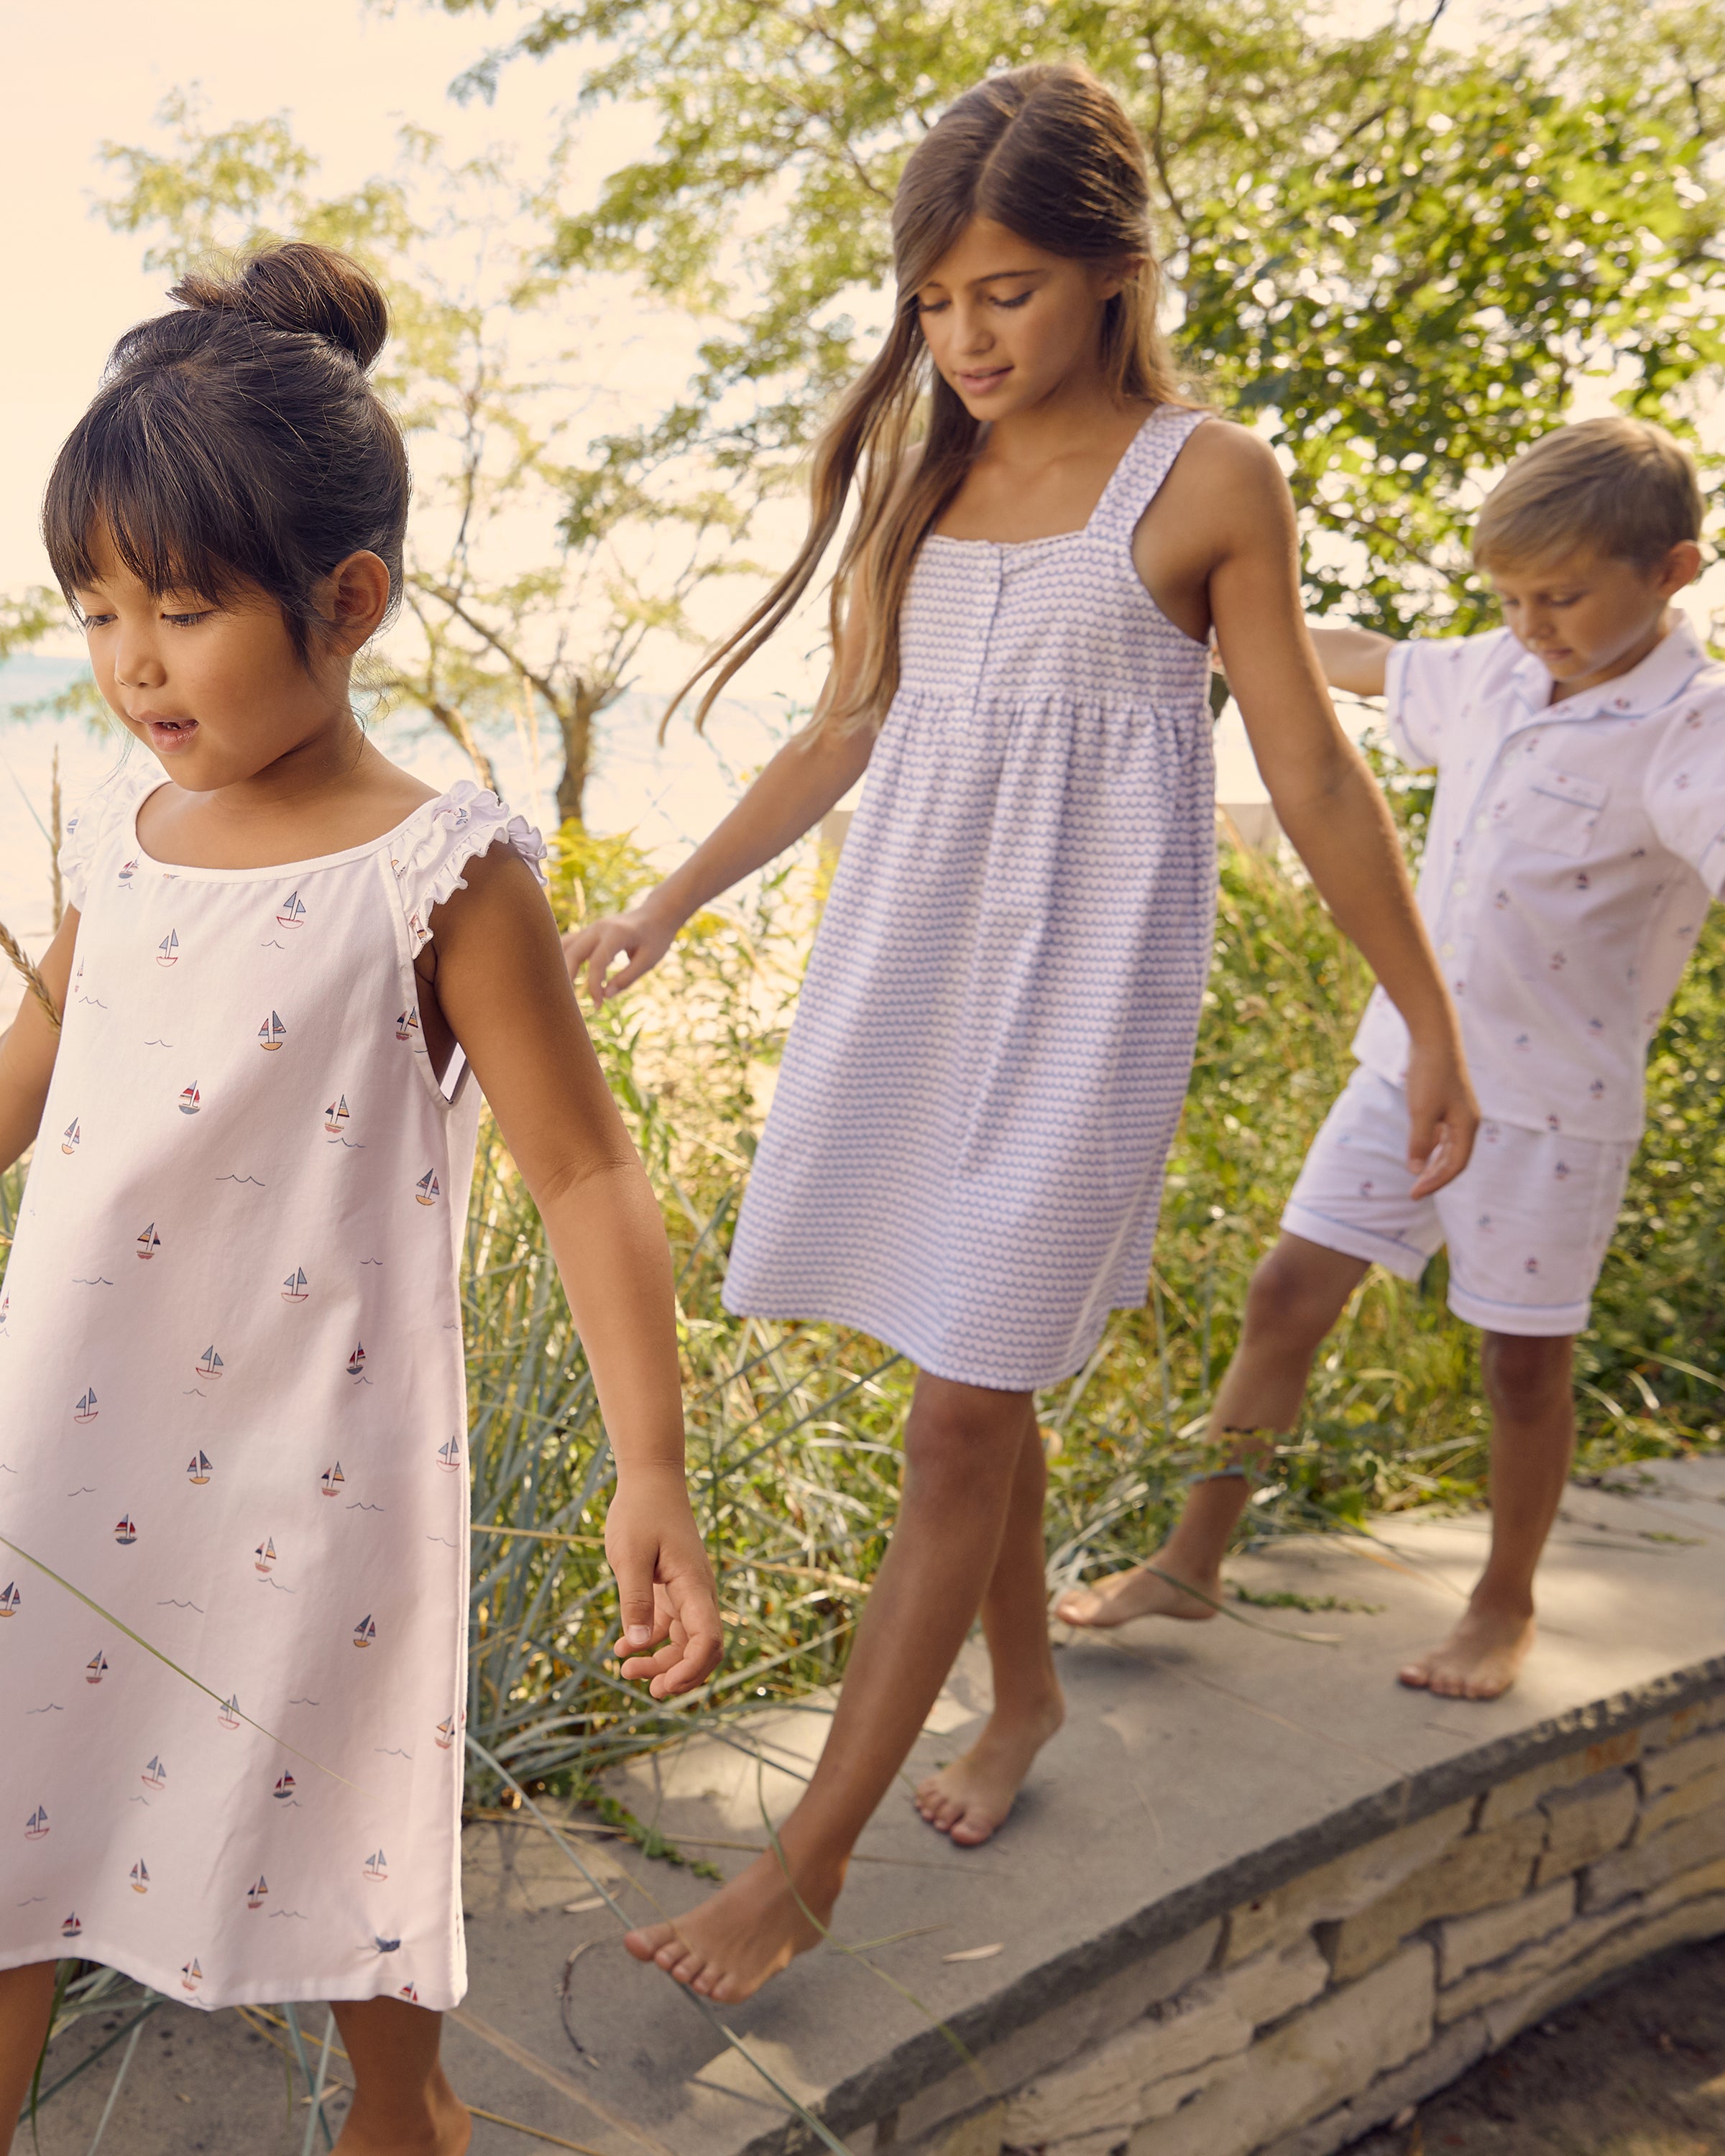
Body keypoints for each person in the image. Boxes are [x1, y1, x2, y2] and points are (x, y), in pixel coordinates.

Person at [563, 63, 1475, 2006]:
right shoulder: (935, 476)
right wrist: (659, 904)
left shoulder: (1209, 478)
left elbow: (1310, 764)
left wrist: (1430, 1017)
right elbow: (839, 732)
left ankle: (803, 1867)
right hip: (910, 984)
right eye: (934, 302)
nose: (965, 339)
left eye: (1009, 294)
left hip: (1082, 1009)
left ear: (1115, 273)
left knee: (965, 1403)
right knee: (960, 1375)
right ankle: (1029, 1692)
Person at [0, 242, 722, 2156]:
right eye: (94, 607)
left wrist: (652, 1466)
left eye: (181, 604)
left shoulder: (440, 873)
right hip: (74, 1435)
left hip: (318, 1452)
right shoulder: (134, 836)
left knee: (343, 1802)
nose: (132, 657)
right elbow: (32, 1071)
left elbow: (587, 1172)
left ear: (350, 600)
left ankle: (403, 2117)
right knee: (12, 1804)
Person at [1058, 416, 1719, 1703]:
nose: (1534, 625)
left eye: (1566, 598)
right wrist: (1199, 602)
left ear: (1675, 572)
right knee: (1285, 1296)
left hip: (1552, 1114)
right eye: (1513, 598)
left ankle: (1503, 1603)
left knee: (1522, 1365)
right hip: (1404, 1070)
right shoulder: (1498, 671)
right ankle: (1194, 1560)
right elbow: (1360, 659)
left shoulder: (1694, 730)